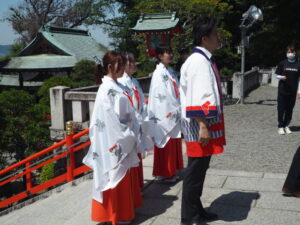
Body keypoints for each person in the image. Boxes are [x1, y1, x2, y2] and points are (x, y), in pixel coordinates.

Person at [83, 51, 141, 225]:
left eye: (123, 64)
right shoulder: (106, 89)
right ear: (110, 67)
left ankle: (123, 212)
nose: (123, 68)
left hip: (124, 134)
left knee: (121, 177)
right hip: (115, 138)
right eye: (120, 65)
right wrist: (126, 135)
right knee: (114, 175)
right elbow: (108, 120)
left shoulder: (117, 86)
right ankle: (116, 214)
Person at [180, 16, 226, 224]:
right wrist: (203, 125)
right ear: (205, 38)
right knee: (195, 171)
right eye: (216, 34)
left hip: (203, 123)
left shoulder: (203, 59)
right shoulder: (198, 61)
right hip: (199, 125)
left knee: (199, 169)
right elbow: (198, 97)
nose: (219, 38)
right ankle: (189, 217)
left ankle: (196, 210)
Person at [147, 46, 183, 182]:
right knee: (165, 140)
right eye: (168, 53)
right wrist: (174, 108)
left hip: (173, 109)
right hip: (165, 112)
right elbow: (160, 96)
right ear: (160, 56)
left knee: (172, 141)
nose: (171, 54)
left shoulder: (170, 71)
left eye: (171, 52)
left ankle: (172, 170)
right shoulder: (158, 74)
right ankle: (164, 172)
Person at [118, 52, 153, 189]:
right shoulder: (122, 82)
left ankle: (138, 185)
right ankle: (133, 188)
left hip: (138, 120)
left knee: (137, 154)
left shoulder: (134, 81)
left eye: (133, 61)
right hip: (131, 122)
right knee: (130, 155)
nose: (133, 64)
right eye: (130, 62)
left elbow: (142, 101)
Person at [275, 45, 300, 135]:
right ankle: (280, 126)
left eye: (292, 52)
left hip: (292, 91)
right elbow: (276, 75)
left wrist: (299, 92)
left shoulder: (298, 64)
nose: (290, 54)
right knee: (281, 109)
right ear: (286, 53)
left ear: (295, 53)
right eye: (288, 52)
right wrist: (281, 77)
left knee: (289, 110)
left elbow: (299, 79)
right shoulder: (282, 63)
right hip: (282, 91)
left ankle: (286, 125)